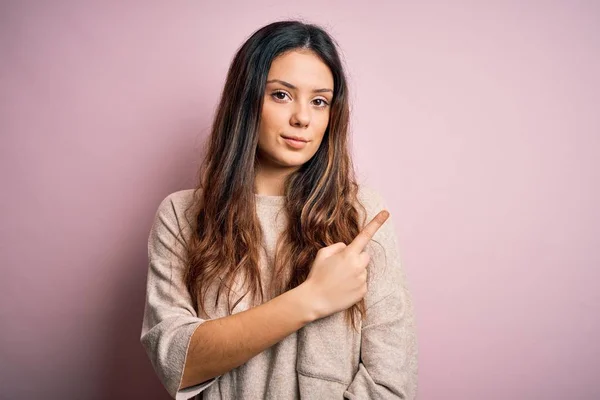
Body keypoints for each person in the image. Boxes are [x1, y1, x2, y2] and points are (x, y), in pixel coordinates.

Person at [140, 19, 418, 399]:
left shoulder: (362, 214)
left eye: (319, 101)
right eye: (282, 95)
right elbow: (177, 361)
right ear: (246, 100)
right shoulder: (181, 214)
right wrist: (312, 298)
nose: (302, 117)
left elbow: (391, 384)